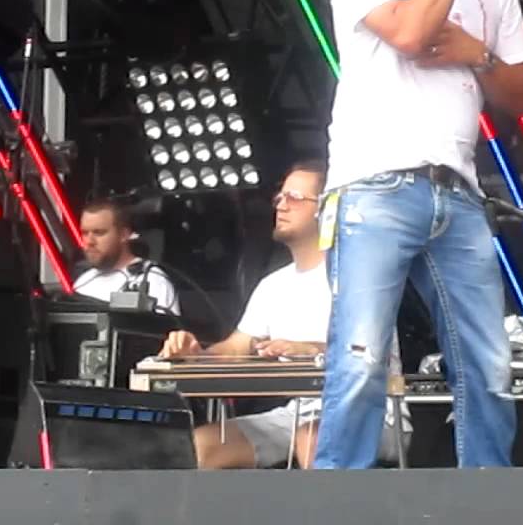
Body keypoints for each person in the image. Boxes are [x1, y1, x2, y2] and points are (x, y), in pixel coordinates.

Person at [314, 0, 523, 469]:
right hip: (374, 183)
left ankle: (486, 501)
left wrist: (477, 53)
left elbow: (520, 96)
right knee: (361, 357)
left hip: (459, 191)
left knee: (489, 364)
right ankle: (336, 500)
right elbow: (411, 33)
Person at [156, 161, 407, 468]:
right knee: (201, 446)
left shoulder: (361, 276)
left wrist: (309, 349)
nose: (281, 205)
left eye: (295, 198)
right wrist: (195, 354)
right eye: (279, 197)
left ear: (327, 209)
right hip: (296, 414)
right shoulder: (272, 285)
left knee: (313, 437)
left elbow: (367, 351)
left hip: (372, 413)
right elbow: (237, 347)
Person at [74, 199, 180, 314]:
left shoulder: (153, 280)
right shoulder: (83, 281)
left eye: (99, 232)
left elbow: (167, 325)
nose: (89, 241)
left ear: (124, 234)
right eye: (84, 233)